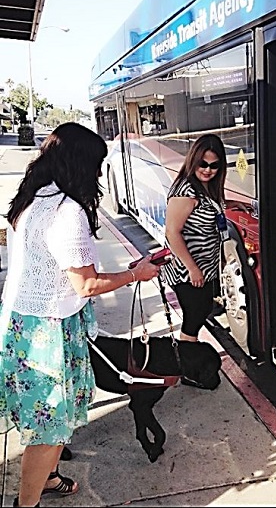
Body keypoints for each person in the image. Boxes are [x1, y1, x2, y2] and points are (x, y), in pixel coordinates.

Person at [0, 122, 160, 507]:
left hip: (23, 321)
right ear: (80, 164)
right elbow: (86, 286)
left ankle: (50, 477)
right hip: (47, 332)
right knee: (49, 428)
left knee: (52, 418)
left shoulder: (32, 195)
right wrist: (134, 274)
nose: (100, 174)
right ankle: (28, 503)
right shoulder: (67, 211)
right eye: (97, 165)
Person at [162, 134, 250, 349]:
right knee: (194, 317)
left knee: (199, 313)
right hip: (187, 270)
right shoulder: (186, 190)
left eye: (214, 165)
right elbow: (172, 233)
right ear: (193, 161)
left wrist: (232, 203)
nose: (208, 170)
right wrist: (192, 269)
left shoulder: (205, 187)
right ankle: (188, 362)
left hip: (202, 266)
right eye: (203, 164)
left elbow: (206, 207)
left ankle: (189, 359)